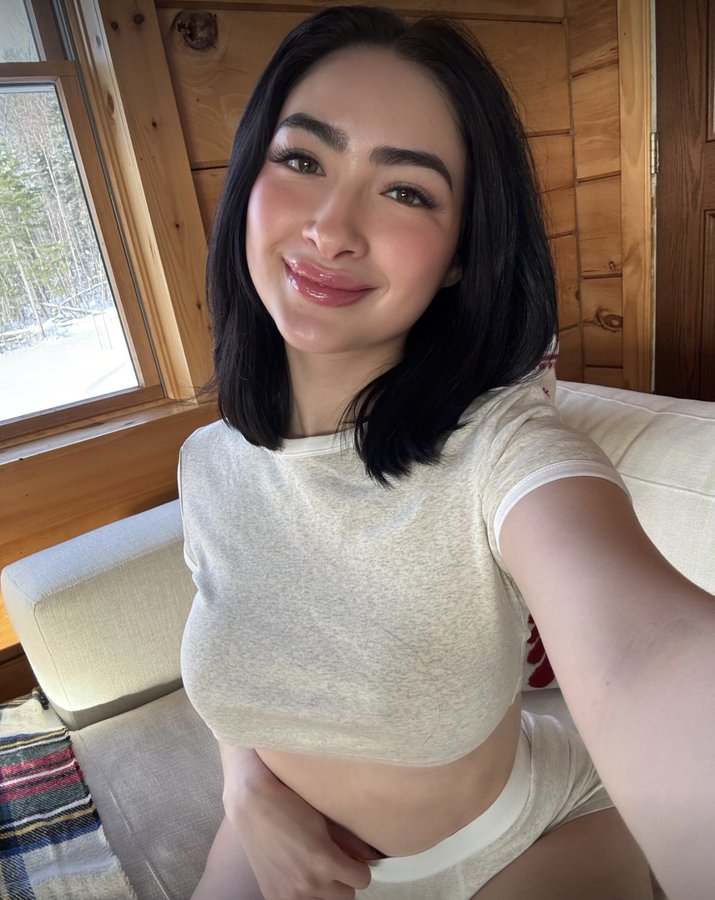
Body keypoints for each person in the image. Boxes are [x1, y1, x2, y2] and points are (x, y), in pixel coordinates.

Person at [177, 7, 715, 900]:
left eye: (406, 192)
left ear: (460, 254)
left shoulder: (502, 448)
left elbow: (649, 653)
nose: (331, 229)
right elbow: (239, 637)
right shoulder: (208, 463)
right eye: (302, 161)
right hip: (279, 843)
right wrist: (246, 791)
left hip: (533, 838)